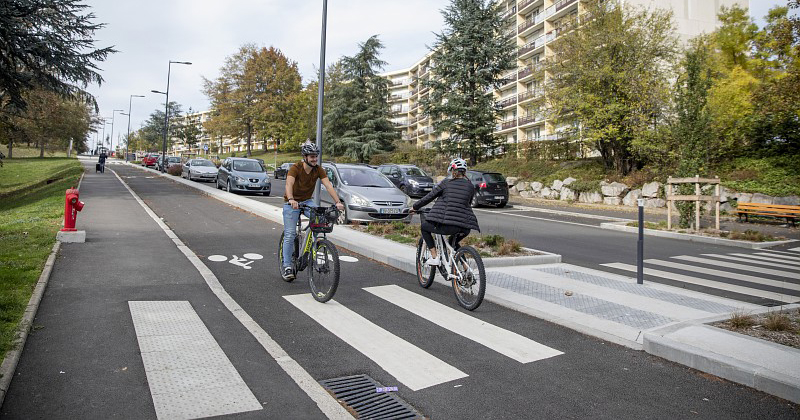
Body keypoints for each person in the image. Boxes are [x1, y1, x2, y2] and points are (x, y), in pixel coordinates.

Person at [282, 142, 344, 280]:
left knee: (320, 223)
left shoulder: (318, 169)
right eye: (312, 157)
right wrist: (291, 199)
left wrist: (338, 202)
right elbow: (289, 184)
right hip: (291, 202)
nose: (314, 159)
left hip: (307, 201)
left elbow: (328, 185)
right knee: (290, 234)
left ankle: (315, 253)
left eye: (316, 156)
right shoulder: (295, 168)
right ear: (304, 157)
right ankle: (287, 266)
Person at [410, 158, 480, 266]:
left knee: (424, 227)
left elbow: (429, 197)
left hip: (448, 225)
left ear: (452, 170)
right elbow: (468, 203)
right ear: (464, 171)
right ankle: (466, 270)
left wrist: (415, 207)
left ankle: (434, 257)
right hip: (465, 227)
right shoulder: (470, 186)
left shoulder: (446, 183)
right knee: (454, 243)